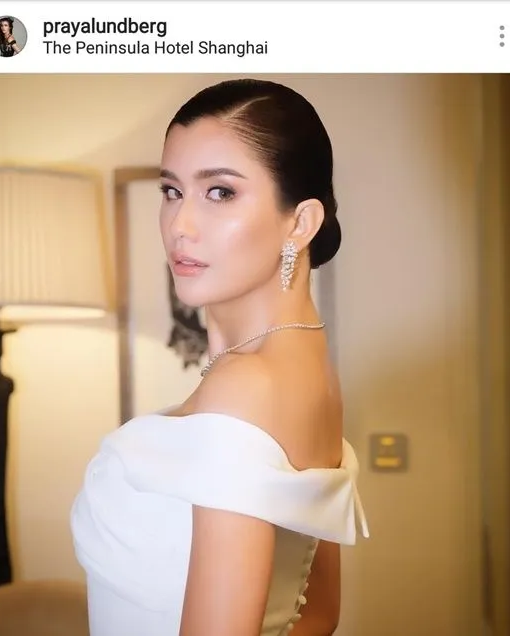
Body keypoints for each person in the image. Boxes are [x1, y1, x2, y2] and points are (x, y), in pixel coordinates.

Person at [71, 78, 369, 636]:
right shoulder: (313, 377)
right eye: (171, 191)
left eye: (220, 192)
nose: (179, 226)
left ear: (300, 222)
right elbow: (318, 614)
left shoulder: (245, 386)